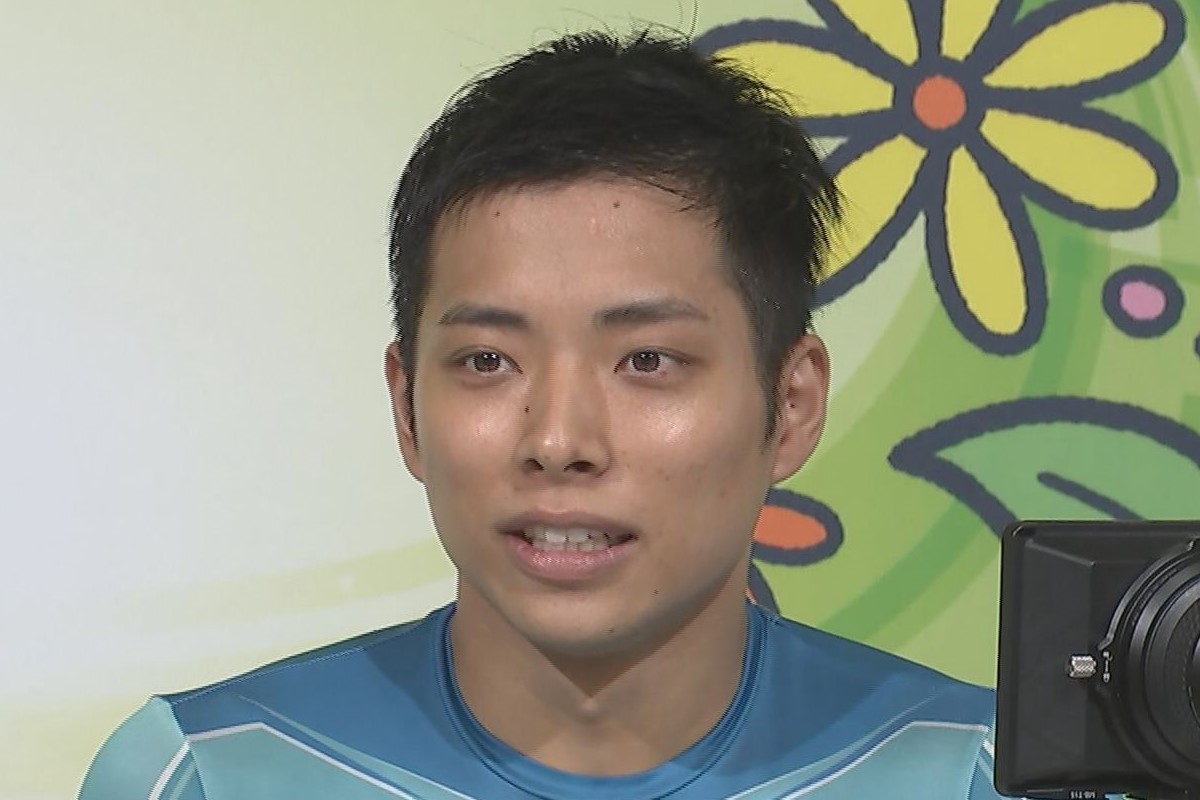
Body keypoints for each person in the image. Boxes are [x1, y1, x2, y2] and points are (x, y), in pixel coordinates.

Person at [80, 28, 1016, 799]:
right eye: (488, 361)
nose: (559, 440)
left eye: (648, 361)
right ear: (407, 408)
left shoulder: (972, 774)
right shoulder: (206, 774)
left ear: (793, 404)